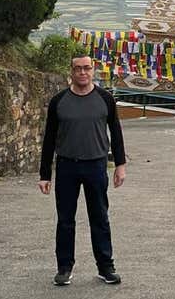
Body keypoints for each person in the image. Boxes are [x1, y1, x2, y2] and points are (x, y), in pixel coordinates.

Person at [37, 54, 127, 286]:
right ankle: (64, 268)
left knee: (100, 218)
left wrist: (120, 165)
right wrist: (45, 174)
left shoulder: (105, 99)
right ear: (72, 71)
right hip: (67, 166)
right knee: (65, 220)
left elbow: (115, 133)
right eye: (78, 69)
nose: (82, 73)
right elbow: (49, 139)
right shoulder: (59, 101)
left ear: (93, 70)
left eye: (86, 68)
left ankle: (106, 267)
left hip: (96, 165)